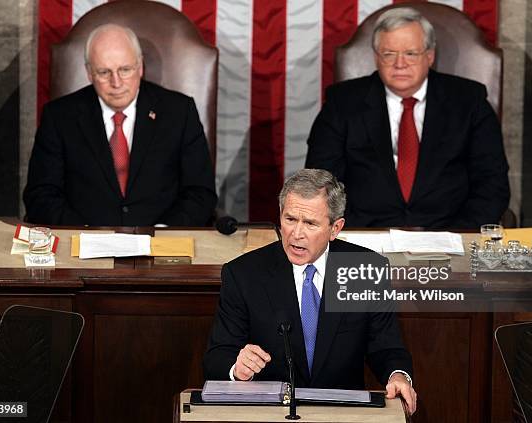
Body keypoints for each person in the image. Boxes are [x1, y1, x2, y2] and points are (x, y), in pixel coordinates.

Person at [203, 169, 417, 414]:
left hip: (343, 413)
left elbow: (387, 347)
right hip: (269, 413)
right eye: (290, 219)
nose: (297, 234)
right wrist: (236, 366)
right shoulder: (244, 274)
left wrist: (398, 376)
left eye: (310, 223)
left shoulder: (363, 271)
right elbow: (216, 357)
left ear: (335, 228)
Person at [305, 7, 510, 229]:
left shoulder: (469, 102)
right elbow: (321, 183)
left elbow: (492, 183)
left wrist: (458, 235)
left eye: (411, 53)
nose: (400, 63)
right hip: (364, 235)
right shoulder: (342, 103)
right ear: (376, 58)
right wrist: (354, 235)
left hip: (449, 235)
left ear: (429, 56)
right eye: (389, 53)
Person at [24, 24, 217, 226]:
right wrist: (84, 234)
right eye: (104, 72)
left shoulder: (179, 112)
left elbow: (200, 192)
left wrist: (164, 234)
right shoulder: (59, 117)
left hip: (161, 245)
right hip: (83, 246)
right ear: (89, 73)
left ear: (140, 67)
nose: (116, 83)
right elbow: (41, 195)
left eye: (125, 70)